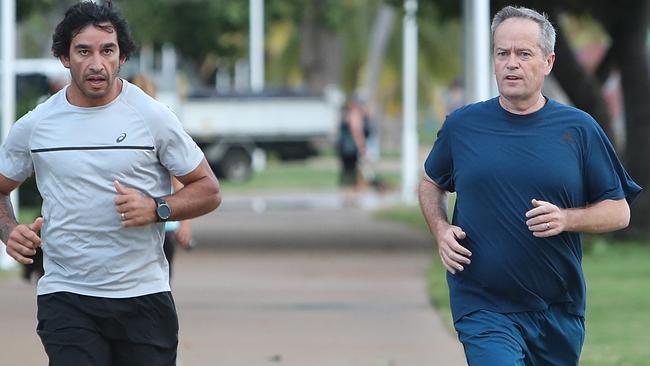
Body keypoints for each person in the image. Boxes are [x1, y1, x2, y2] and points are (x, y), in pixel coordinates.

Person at [0, 2, 221, 365]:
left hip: (143, 296)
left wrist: (156, 207)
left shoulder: (152, 116)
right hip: (67, 296)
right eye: (83, 51)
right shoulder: (37, 125)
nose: (96, 63)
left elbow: (208, 189)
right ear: (64, 57)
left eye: (107, 50)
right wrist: (9, 231)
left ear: (122, 57)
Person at [418, 6, 641, 366]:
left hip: (558, 309)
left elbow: (619, 211)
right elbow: (431, 182)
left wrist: (567, 220)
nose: (511, 63)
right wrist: (440, 229)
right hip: (483, 305)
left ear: (548, 61)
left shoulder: (579, 130)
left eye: (523, 54)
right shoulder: (463, 127)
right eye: (502, 53)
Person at [129, 73, 194, 281]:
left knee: (157, 282)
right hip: (145, 220)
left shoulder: (160, 126)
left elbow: (180, 179)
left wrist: (184, 223)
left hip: (161, 220)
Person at [337, 98, 369, 203]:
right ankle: (352, 195)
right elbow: (357, 132)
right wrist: (362, 147)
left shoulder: (344, 116)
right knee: (353, 171)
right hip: (351, 148)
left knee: (346, 171)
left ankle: (346, 194)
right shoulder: (355, 116)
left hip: (343, 148)